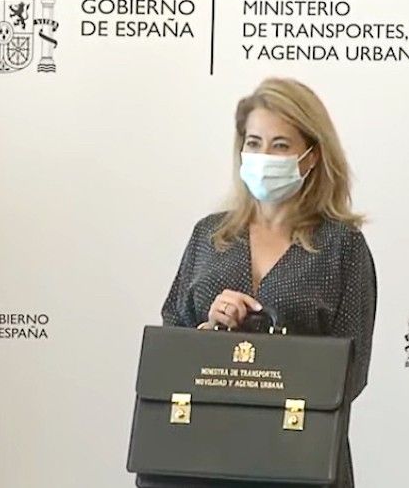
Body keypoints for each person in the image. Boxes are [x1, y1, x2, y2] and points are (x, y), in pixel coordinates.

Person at [161, 77, 376, 487]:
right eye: (254, 143)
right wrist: (209, 331)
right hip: (204, 457)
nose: (264, 156)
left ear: (311, 156)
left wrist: (277, 356)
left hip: (299, 460)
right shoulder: (209, 236)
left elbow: (352, 371)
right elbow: (171, 349)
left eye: (280, 145)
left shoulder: (341, 245)